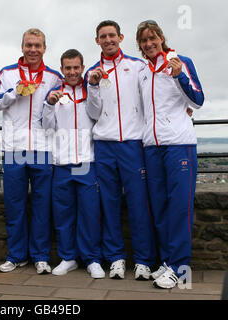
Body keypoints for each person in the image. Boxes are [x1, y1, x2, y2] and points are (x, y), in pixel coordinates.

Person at [85, 20, 156, 280]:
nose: (108, 40)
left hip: (133, 145)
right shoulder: (92, 72)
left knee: (139, 203)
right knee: (109, 203)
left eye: (112, 35)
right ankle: (115, 258)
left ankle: (144, 261)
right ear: (97, 41)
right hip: (104, 145)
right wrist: (92, 86)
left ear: (121, 37)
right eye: (103, 36)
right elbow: (92, 113)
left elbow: (150, 99)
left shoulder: (137, 67)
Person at [0, 28, 62, 274]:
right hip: (14, 149)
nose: (33, 49)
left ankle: (40, 256)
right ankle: (17, 255)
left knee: (42, 207)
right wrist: (14, 92)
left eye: (38, 45)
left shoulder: (53, 77)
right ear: (22, 47)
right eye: (29, 45)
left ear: (44, 48)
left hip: (43, 148)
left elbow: (63, 108)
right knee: (15, 205)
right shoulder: (7, 73)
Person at [136, 20, 204, 289]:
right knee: (160, 207)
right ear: (140, 45)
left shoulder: (180, 61)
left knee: (179, 207)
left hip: (179, 144)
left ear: (161, 38)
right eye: (144, 40)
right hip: (152, 146)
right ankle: (168, 261)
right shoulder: (143, 70)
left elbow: (198, 100)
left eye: (153, 38)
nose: (149, 44)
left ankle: (180, 267)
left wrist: (179, 76)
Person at [42, 49, 104, 278]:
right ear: (62, 70)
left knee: (90, 213)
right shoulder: (54, 94)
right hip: (62, 163)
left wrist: (95, 88)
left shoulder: (90, 89)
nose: (72, 72)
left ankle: (92, 259)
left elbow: (97, 114)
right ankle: (68, 257)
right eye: (68, 68)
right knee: (63, 214)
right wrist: (49, 105)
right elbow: (47, 128)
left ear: (82, 67)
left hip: (87, 161)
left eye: (76, 67)